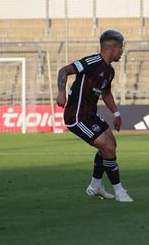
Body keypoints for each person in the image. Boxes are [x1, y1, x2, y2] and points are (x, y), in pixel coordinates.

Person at [56, 30, 133, 202]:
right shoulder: (92, 62)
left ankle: (96, 185)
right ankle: (119, 191)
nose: (122, 51)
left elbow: (106, 94)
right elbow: (64, 71)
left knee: (111, 144)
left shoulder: (109, 71)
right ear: (112, 48)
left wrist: (116, 113)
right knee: (108, 147)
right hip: (76, 116)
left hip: (90, 115)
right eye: (121, 48)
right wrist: (61, 92)